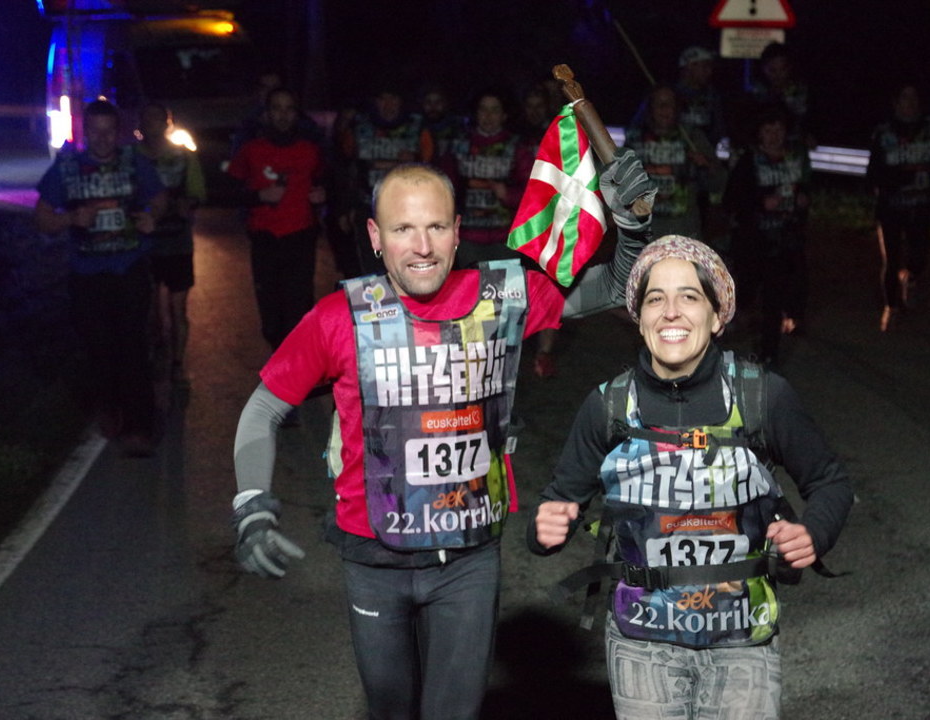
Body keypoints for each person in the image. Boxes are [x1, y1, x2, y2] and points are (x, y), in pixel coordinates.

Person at [229, 153, 657, 720]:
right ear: (375, 237)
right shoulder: (339, 317)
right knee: (390, 709)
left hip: (468, 560)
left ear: (457, 232)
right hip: (372, 559)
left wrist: (632, 227)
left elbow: (619, 285)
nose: (422, 246)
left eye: (435, 227)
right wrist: (251, 505)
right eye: (403, 229)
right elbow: (263, 408)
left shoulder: (504, 297)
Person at [528, 234, 854, 719]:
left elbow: (830, 481)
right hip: (641, 641)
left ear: (718, 316)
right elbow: (558, 504)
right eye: (655, 299)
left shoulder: (762, 396)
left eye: (690, 297)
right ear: (638, 318)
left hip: (743, 637)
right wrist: (546, 529)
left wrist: (814, 533)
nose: (671, 312)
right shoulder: (608, 406)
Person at [34, 99, 168, 457]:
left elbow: (159, 198)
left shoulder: (134, 162)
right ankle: (109, 404)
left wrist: (152, 216)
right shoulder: (66, 169)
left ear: (118, 132)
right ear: (85, 132)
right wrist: (70, 219)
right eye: (96, 131)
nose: (103, 139)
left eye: (109, 131)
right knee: (98, 346)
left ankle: (139, 426)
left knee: (132, 345)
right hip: (87, 275)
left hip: (129, 269)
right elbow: (42, 218)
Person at [442, 89, 560, 377]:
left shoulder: (516, 146)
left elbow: (533, 190)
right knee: (471, 302)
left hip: (504, 238)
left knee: (503, 304)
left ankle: (500, 366)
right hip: (467, 237)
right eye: (483, 109)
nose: (489, 116)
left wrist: (507, 194)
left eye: (495, 109)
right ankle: (469, 364)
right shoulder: (459, 145)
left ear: (505, 115)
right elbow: (443, 185)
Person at [227, 87, 325, 351]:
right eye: (277, 109)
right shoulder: (251, 150)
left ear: (296, 113)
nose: (283, 115)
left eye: (289, 109)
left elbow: (325, 182)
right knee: (271, 315)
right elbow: (229, 191)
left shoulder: (310, 150)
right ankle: (280, 355)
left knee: (298, 308)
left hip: (300, 235)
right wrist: (259, 196)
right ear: (267, 114)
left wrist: (321, 195)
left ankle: (297, 367)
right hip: (265, 237)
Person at [723, 108, 812, 364]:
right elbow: (731, 200)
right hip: (754, 241)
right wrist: (761, 203)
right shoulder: (749, 161)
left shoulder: (795, 159)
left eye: (779, 130)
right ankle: (731, 317)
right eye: (768, 130)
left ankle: (769, 353)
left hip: (786, 240)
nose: (774, 136)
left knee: (775, 295)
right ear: (759, 133)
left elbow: (804, 188)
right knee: (748, 290)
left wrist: (803, 198)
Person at [866, 82, 930, 332]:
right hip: (891, 206)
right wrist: (886, 184)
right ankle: (891, 307)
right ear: (896, 102)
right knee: (891, 260)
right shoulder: (884, 132)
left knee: (920, 256)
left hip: (921, 203)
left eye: (914, 97)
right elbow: (872, 171)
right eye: (905, 97)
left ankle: (910, 277)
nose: (910, 102)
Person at [136, 102, 206, 386]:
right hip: (143, 244)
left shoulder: (183, 156)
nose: (151, 124)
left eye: (157, 119)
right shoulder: (130, 157)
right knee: (150, 308)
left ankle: (176, 362)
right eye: (147, 118)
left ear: (167, 123)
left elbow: (198, 192)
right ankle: (156, 354)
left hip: (177, 241)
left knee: (178, 309)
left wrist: (188, 204)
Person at [335, 81, 433, 275]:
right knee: (370, 272)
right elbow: (344, 168)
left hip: (409, 210)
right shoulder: (358, 126)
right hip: (368, 209)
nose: (388, 104)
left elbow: (434, 170)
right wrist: (344, 208)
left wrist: (414, 161)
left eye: (393, 98)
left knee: (407, 267)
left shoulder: (418, 127)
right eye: (382, 99)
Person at [624, 85, 725, 242]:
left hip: (684, 232)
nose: (665, 109)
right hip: (645, 233)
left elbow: (717, 184)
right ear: (650, 108)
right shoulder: (635, 138)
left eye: (669, 104)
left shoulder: (693, 137)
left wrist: (706, 165)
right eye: (659, 104)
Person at [745, 42, 815, 151]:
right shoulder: (756, 91)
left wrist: (807, 135)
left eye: (782, 69)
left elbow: (807, 121)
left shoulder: (800, 91)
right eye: (772, 70)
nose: (778, 75)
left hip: (792, 147)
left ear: (789, 68)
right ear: (763, 69)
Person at [674, 46, 727, 148]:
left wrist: (723, 154)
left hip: (705, 153)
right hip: (675, 151)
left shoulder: (712, 96)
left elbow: (720, 131)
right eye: (705, 66)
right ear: (690, 66)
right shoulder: (668, 94)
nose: (709, 71)